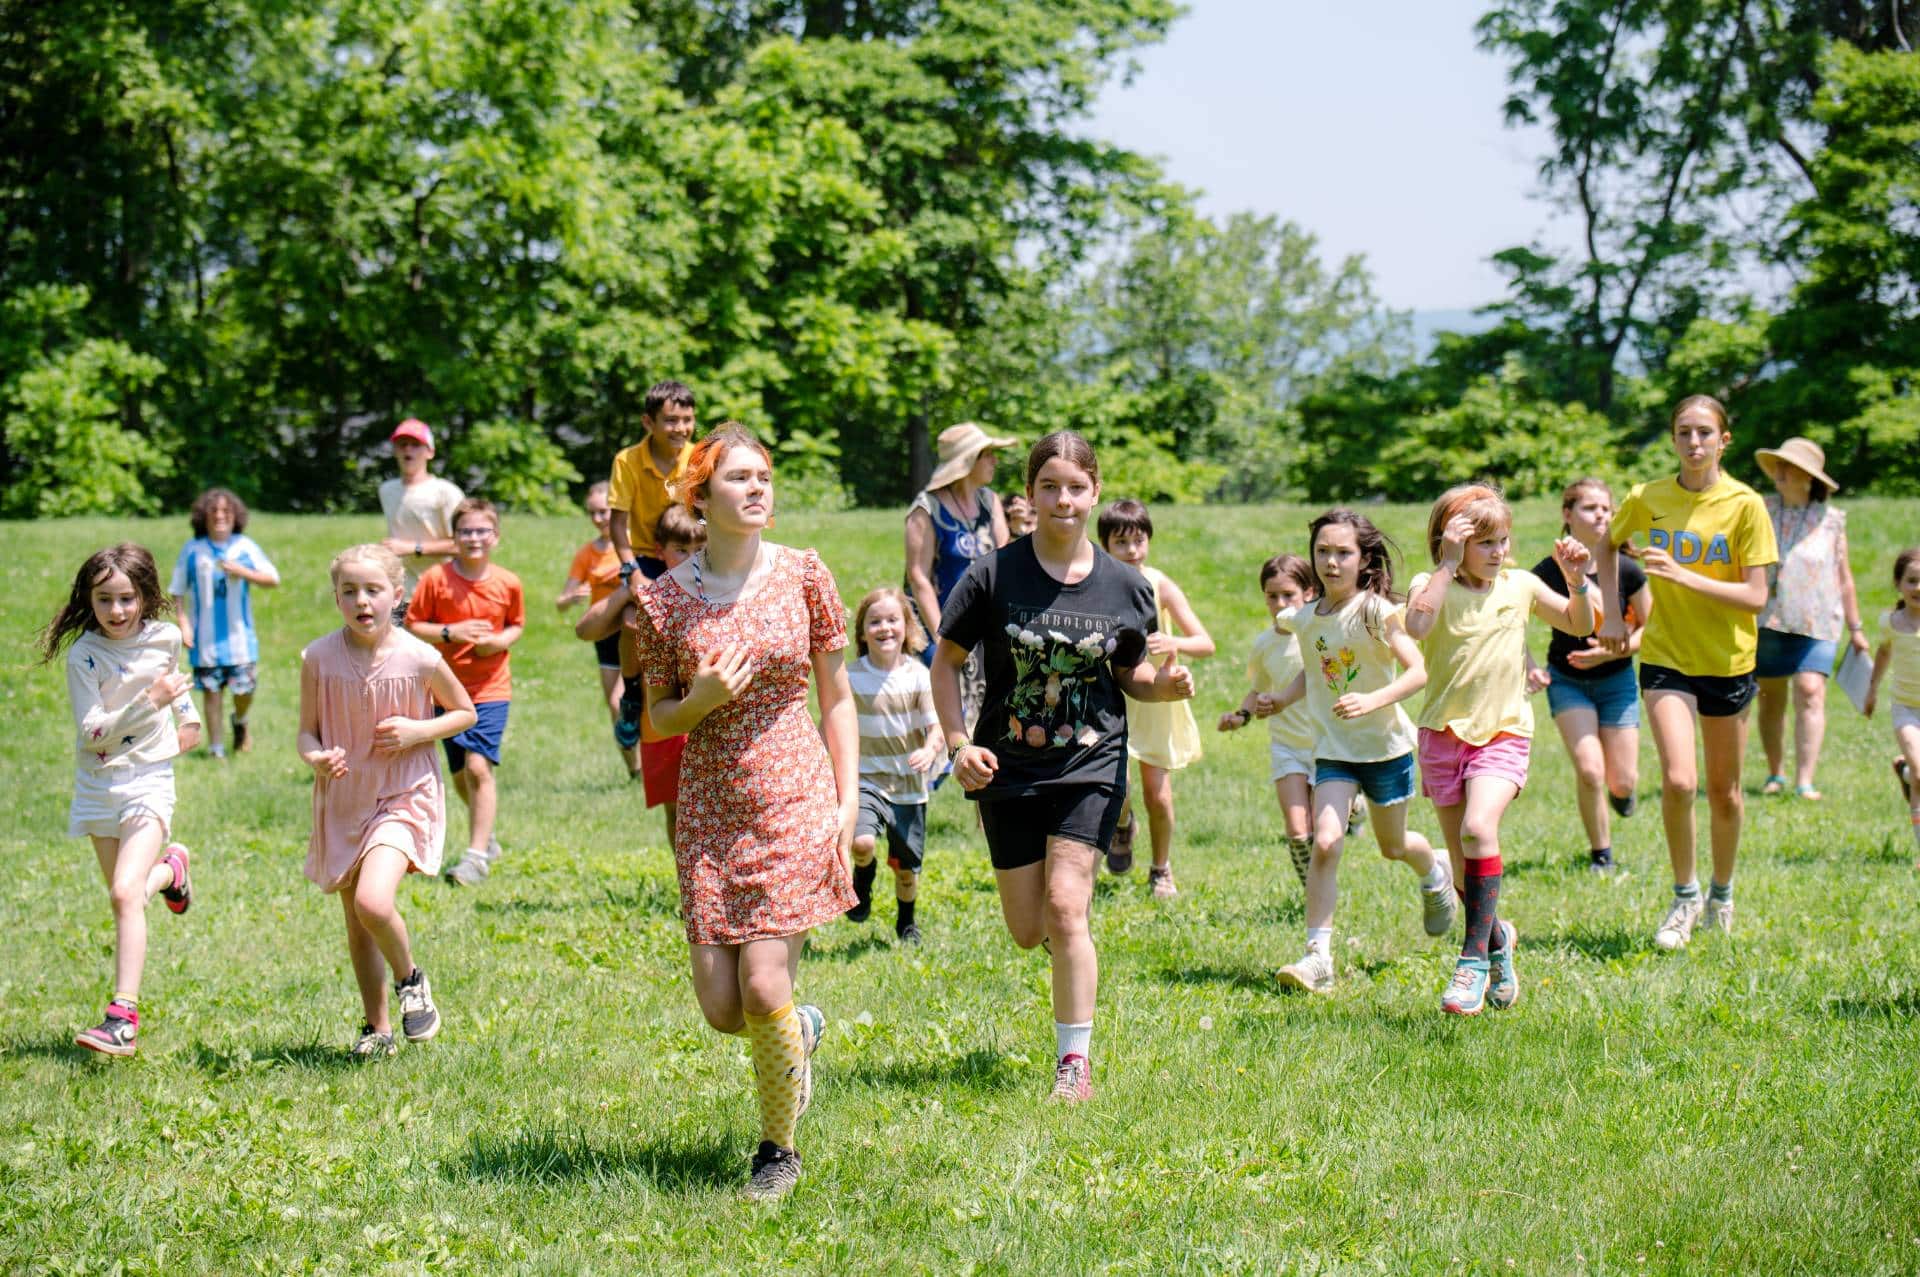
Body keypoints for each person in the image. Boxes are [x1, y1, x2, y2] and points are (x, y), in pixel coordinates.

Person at [631, 423, 858, 1201]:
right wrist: (699, 700)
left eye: (764, 475)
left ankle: (777, 1150)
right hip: (710, 807)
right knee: (725, 1009)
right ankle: (803, 1031)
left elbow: (836, 695)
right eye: (739, 477)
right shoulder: (663, 602)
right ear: (701, 493)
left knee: (763, 987)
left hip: (794, 789)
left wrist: (847, 790)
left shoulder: (804, 574)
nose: (757, 487)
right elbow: (654, 717)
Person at [934, 431, 1194, 1103]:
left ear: (1095, 493)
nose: (1063, 499)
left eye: (1076, 487)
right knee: (1029, 929)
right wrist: (958, 743)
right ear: (1030, 494)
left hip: (1091, 761)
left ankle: (1072, 1064)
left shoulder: (1128, 586)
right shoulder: (994, 573)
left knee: (1066, 905)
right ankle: (1067, 957)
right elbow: (948, 661)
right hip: (1006, 766)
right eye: (1049, 486)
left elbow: (1128, 670)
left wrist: (1160, 687)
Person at [1406, 486, 1595, 1015]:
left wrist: (1579, 582)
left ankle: (1470, 962)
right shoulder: (1431, 585)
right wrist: (1445, 566)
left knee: (1476, 830)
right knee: (1466, 872)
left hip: (1504, 734)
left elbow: (1581, 624)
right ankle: (1497, 940)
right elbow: (1416, 626)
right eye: (1482, 542)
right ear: (1451, 542)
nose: (1497, 552)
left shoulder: (1521, 585)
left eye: (1502, 540)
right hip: (1442, 736)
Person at [1598, 395, 1778, 951]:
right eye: (1683, 432)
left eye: (1704, 432)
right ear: (1673, 439)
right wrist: (1610, 609)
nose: (1693, 442)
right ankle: (1685, 894)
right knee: (1680, 780)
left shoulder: (1745, 505)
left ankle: (1721, 894)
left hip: (1726, 661)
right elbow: (1606, 545)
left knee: (1724, 793)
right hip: (1665, 656)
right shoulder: (1646, 498)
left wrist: (1682, 574)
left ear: (1724, 440)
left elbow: (1754, 596)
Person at [1266, 509, 1458, 996]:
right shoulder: (1308, 619)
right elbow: (1315, 668)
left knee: (1392, 846)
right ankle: (1318, 959)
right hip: (1334, 751)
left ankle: (1433, 870)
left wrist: (1372, 700)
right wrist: (1281, 699)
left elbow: (1416, 671)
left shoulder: (1375, 611)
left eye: (1343, 553)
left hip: (1386, 750)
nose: (1331, 562)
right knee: (1326, 841)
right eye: (1323, 552)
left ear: (1363, 557)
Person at [300, 544, 475, 1056]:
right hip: (344, 798)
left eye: (373, 590)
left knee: (373, 902)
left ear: (396, 596)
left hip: (404, 792)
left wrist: (419, 730)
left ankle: (411, 981)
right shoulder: (317, 657)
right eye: (349, 591)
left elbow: (463, 712)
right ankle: (377, 1031)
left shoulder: (420, 655)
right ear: (336, 598)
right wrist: (316, 758)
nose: (361, 601)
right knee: (356, 922)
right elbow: (305, 735)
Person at [41, 544, 201, 1057]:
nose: (117, 610)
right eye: (105, 599)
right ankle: (173, 871)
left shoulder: (166, 637)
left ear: (146, 596)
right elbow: (94, 733)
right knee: (126, 893)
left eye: (127, 598)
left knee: (122, 894)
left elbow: (172, 683)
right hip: (97, 784)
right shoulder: (85, 655)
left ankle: (122, 1016)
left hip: (149, 781)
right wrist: (148, 703)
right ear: (89, 599)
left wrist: (186, 715)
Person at [1529, 478, 1652, 873]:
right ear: (1567, 515)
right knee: (1589, 769)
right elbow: (1508, 616)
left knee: (1622, 781)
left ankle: (1623, 795)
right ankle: (1602, 855)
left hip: (1616, 682)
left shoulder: (1627, 570)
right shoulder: (1549, 570)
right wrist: (1529, 663)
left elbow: (1651, 628)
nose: (1600, 514)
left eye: (1605, 508)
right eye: (1588, 508)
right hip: (1567, 680)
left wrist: (1612, 651)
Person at [405, 499, 526, 886]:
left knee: (478, 766)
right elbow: (413, 624)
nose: (474, 538)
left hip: (491, 688)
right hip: (445, 690)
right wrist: (449, 633)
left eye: (481, 531)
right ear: (454, 538)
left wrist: (497, 642)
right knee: (459, 773)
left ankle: (474, 858)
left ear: (496, 536)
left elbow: (516, 625)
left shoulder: (507, 582)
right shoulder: (436, 580)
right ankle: (485, 837)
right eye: (465, 531)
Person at [1098, 499, 1214, 897]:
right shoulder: (1097, 583)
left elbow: (1205, 643)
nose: (1132, 550)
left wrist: (1173, 640)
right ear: (1105, 545)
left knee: (1158, 796)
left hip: (1157, 700)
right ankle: (1122, 823)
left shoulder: (1159, 584)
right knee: (1120, 789)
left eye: (1139, 540)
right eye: (1121, 542)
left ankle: (1161, 868)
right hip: (1113, 696)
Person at [1753, 436, 1871, 800]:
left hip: (1818, 621)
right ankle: (1776, 774)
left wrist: (1856, 628)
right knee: (1771, 698)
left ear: (1809, 478)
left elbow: (1843, 576)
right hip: (1770, 619)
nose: (1781, 473)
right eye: (1779, 466)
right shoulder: (1761, 510)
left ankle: (1806, 780)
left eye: (1789, 467)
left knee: (1809, 690)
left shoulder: (1832, 520)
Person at [845, 588, 942, 944]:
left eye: (892, 620)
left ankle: (906, 922)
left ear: (907, 627)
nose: (884, 628)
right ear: (862, 632)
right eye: (875, 622)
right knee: (863, 842)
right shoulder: (851, 677)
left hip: (908, 786)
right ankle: (863, 879)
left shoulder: (919, 675)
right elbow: (832, 727)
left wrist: (931, 751)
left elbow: (936, 728)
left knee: (906, 871)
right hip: (865, 780)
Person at [1218, 554, 1320, 889]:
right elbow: (1258, 688)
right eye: (1271, 596)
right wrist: (1241, 716)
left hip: (1326, 745)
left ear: (1309, 592)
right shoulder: (1264, 644)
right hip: (1287, 746)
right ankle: (1314, 893)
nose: (1279, 604)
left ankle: (1356, 806)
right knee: (1297, 830)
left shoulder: (1318, 634)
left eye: (1288, 595)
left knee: (1323, 830)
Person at [905, 422, 1014, 730]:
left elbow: (1002, 558)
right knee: (938, 720)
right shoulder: (926, 509)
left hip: (984, 625)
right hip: (936, 625)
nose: (995, 460)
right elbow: (918, 577)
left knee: (985, 715)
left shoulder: (989, 501)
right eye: (988, 454)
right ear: (968, 461)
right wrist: (941, 637)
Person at [608, 380, 697, 743]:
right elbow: (617, 523)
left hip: (691, 552)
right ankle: (631, 693)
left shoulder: (700, 456)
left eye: (688, 420)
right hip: (646, 556)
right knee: (632, 622)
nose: (681, 429)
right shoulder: (628, 460)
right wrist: (631, 572)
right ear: (649, 423)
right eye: (671, 421)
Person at [169, 487, 280, 759]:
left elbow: (272, 579)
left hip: (240, 638)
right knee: (211, 692)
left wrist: (244, 572)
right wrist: (183, 623)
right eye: (214, 511)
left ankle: (240, 720)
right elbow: (177, 590)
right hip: (204, 639)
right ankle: (216, 748)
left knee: (245, 690)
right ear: (203, 516)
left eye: (226, 511)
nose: (220, 516)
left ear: (235, 516)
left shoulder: (245, 546)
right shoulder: (193, 549)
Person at [557, 481, 635, 775]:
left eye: (604, 512)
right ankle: (634, 769)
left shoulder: (633, 544)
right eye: (593, 513)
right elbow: (561, 601)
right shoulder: (587, 553)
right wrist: (571, 598)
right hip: (604, 631)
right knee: (615, 705)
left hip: (633, 627)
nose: (599, 519)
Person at [378, 418, 465, 617]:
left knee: (436, 648)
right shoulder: (387, 490)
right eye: (402, 444)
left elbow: (462, 546)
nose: (408, 450)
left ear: (430, 452)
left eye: (416, 445)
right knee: (398, 648)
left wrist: (412, 548)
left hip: (441, 591)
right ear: (395, 450)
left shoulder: (446, 492)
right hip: (400, 593)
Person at [1865, 548, 1920, 857]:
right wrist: (1872, 690)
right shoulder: (1891, 622)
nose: (1918, 588)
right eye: (1912, 581)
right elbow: (1884, 653)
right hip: (1907, 710)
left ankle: (1906, 774)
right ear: (1899, 584)